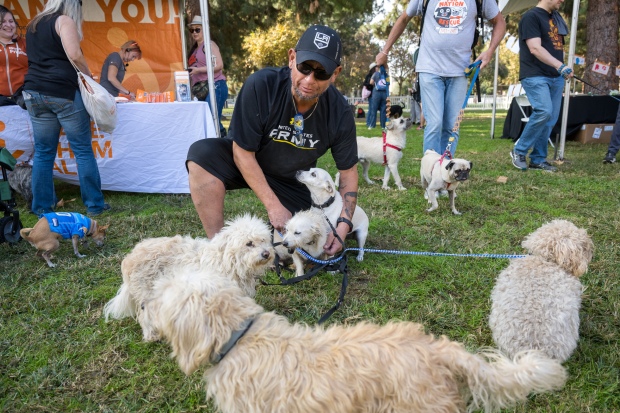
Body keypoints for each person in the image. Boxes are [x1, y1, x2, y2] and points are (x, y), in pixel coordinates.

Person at [186, 25, 358, 256]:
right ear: (291, 58)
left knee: (289, 253)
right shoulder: (261, 85)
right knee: (201, 154)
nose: (309, 79)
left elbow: (348, 173)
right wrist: (273, 207)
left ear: (335, 74)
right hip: (248, 162)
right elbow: (242, 153)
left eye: (321, 73)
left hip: (292, 179)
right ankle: (217, 249)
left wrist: (343, 228)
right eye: (304, 67)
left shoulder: (340, 112)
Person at [376, 0, 505, 156]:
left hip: (460, 72)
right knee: (435, 123)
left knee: (452, 126)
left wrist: (490, 51)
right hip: (430, 68)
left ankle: (444, 171)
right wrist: (385, 52)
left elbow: (499, 21)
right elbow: (403, 19)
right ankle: (430, 174)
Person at [22, 0, 109, 216]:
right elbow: (75, 54)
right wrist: (89, 76)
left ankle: (42, 208)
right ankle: (95, 205)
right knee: (82, 149)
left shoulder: (34, 24)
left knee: (43, 152)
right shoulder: (64, 20)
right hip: (62, 91)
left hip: (34, 91)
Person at [510, 0, 573, 172]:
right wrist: (559, 66)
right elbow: (535, 48)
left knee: (550, 119)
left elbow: (557, 48)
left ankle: (538, 159)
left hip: (556, 76)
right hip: (535, 75)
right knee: (544, 111)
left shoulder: (556, 18)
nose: (562, 0)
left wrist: (562, 68)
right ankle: (519, 150)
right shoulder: (531, 16)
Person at [187, 15, 229, 137]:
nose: (194, 32)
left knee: (213, 120)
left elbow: (219, 65)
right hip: (202, 89)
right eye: (192, 30)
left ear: (205, 29)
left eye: (197, 29)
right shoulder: (195, 48)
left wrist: (198, 70)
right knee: (207, 121)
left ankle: (226, 146)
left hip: (215, 86)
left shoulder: (209, 44)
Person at [0, 5, 27, 103]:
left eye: (11, 21)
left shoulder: (25, 43)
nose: (9, 25)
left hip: (23, 98)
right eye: (3, 22)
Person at [368, 64, 389, 129]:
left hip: (376, 93)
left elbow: (371, 82)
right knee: (383, 110)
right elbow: (388, 83)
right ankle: (383, 125)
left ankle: (372, 125)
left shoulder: (375, 74)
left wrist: (375, 83)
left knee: (374, 109)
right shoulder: (386, 75)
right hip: (384, 93)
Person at [363, 63, 375, 128]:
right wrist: (371, 85)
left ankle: (371, 122)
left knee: (372, 108)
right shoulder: (369, 76)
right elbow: (365, 83)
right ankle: (368, 122)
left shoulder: (376, 74)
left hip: (375, 93)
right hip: (371, 94)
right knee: (371, 108)